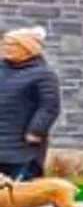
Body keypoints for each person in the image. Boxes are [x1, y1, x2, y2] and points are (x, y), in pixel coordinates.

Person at [0, 27, 53, 186]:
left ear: (27, 48)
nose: (6, 48)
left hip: (22, 142)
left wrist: (36, 130)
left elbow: (49, 106)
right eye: (5, 44)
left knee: (19, 191)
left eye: (12, 45)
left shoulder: (43, 75)